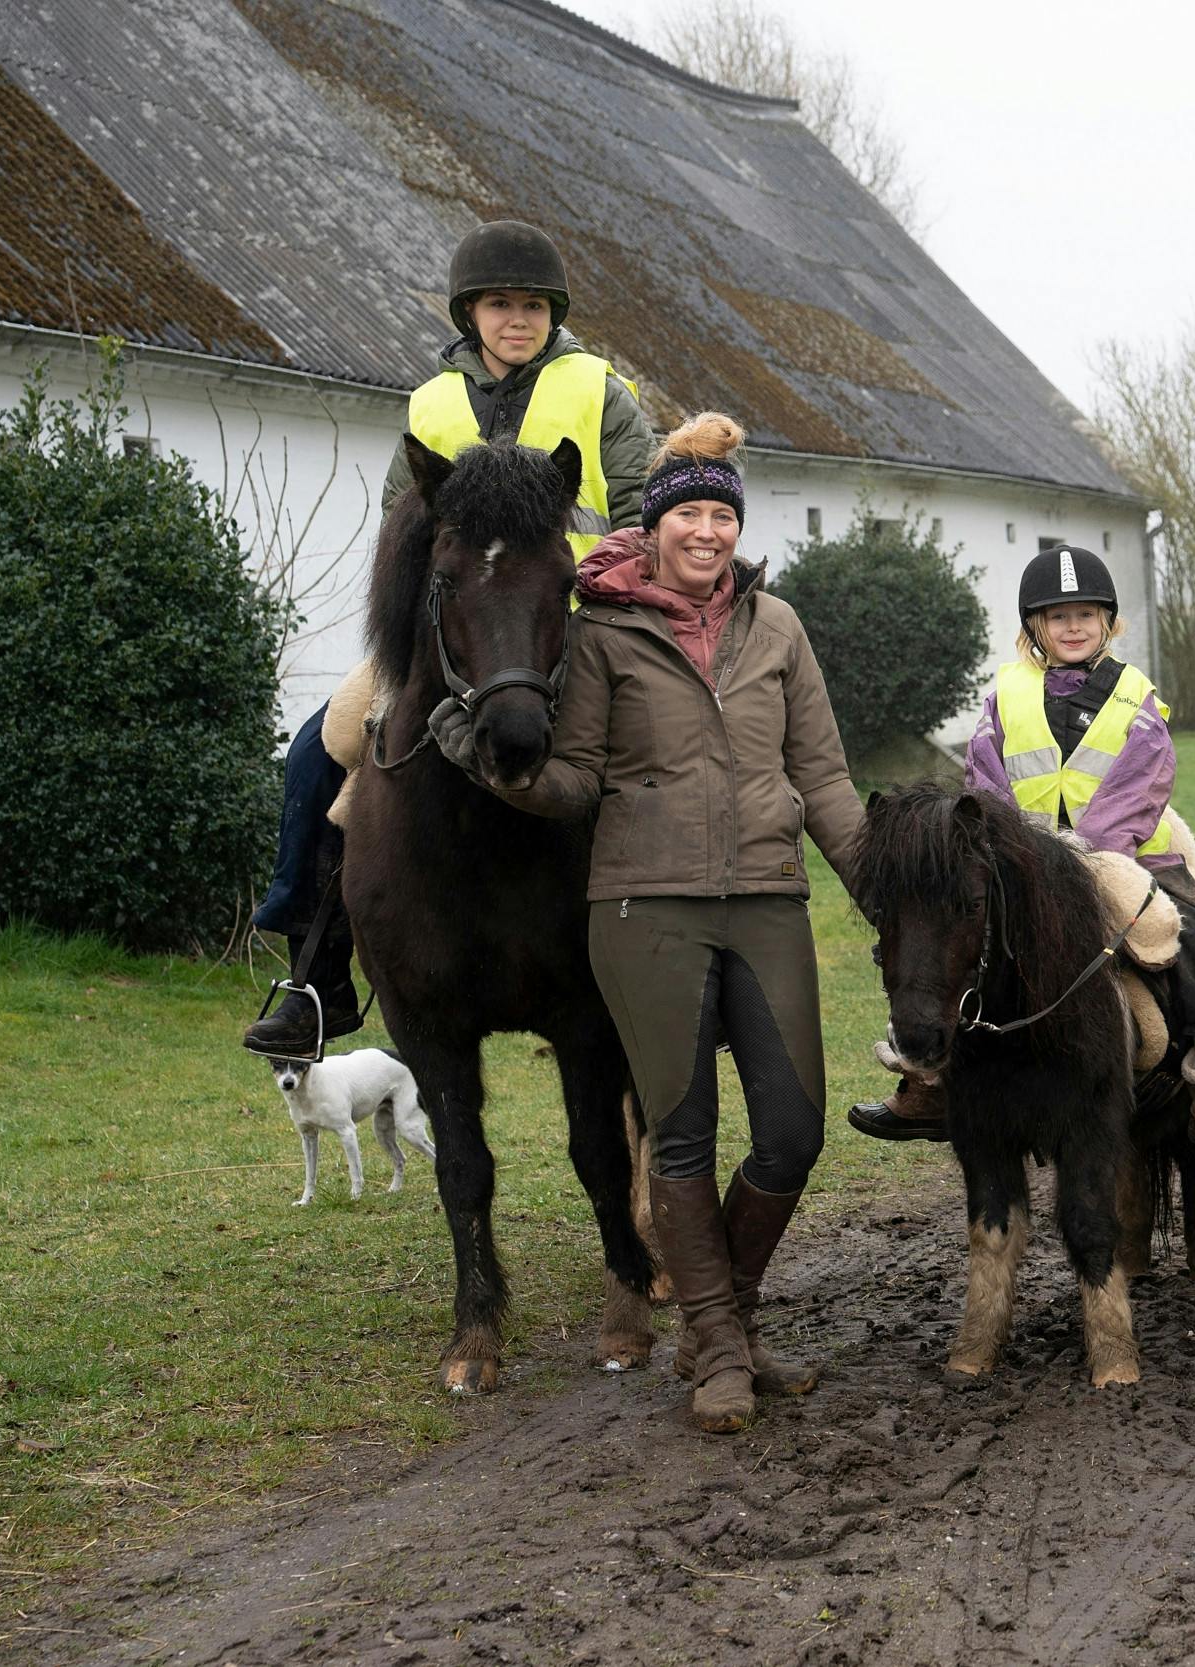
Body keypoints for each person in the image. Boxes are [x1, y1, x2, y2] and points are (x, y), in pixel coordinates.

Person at [433, 412, 862, 1434]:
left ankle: (730, 1320)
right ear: (655, 527)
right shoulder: (605, 632)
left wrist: (883, 895)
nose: (706, 532)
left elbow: (827, 781)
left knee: (793, 1130)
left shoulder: (780, 627)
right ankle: (718, 1348)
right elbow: (576, 778)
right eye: (688, 516)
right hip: (645, 906)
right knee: (681, 1134)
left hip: (765, 897)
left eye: (722, 514)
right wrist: (488, 764)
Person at [243, 220, 653, 1056]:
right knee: (319, 747)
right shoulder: (430, 403)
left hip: (576, 623)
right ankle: (316, 976)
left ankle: (683, 961)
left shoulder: (600, 389)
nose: (517, 319)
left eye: (532, 306)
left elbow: (644, 507)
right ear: (470, 312)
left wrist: (591, 580)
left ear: (552, 313)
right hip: (455, 637)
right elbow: (403, 531)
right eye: (501, 304)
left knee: (664, 744)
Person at [847, 548, 1195, 1163]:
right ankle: (929, 1080)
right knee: (937, 934)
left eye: (1085, 614)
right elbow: (985, 779)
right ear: (1035, 628)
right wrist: (1017, 849)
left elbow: (1141, 785)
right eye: (1057, 617)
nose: (1072, 627)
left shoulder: (1136, 698)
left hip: (1123, 853)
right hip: (1018, 857)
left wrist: (1079, 856)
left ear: (1108, 622)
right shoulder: (1006, 696)